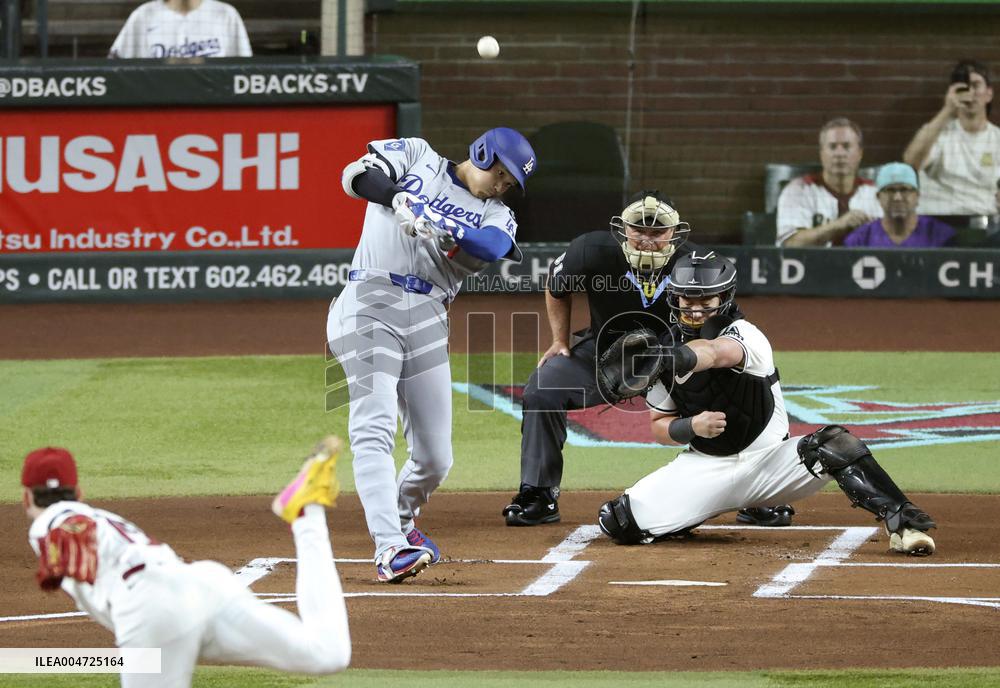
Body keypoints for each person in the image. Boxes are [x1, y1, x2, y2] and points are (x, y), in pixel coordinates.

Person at [596, 252, 937, 557]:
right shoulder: (659, 353)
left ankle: (905, 524)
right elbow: (660, 427)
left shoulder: (745, 334)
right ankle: (702, 509)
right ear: (675, 297)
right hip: (706, 468)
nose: (695, 308)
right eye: (687, 298)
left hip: (771, 464)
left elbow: (714, 353)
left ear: (724, 298)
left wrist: (672, 358)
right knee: (618, 520)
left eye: (705, 299)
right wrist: (691, 426)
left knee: (835, 444)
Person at [502, 192, 793, 529]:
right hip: (607, 355)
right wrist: (559, 340)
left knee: (745, 386)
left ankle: (760, 494)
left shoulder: (696, 264)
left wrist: (698, 362)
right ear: (622, 228)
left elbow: (729, 325)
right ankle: (538, 494)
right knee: (544, 388)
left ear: (675, 232)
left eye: (658, 231)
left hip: (678, 361)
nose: (647, 239)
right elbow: (557, 286)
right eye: (638, 229)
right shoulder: (591, 251)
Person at [331, 127, 536, 582]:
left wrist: (442, 224)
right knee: (374, 426)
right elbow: (356, 176)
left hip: (427, 315)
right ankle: (389, 548)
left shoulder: (497, 215)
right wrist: (399, 197)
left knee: (435, 457)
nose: (501, 186)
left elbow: (491, 246)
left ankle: (402, 522)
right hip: (369, 299)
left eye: (509, 183)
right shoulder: (418, 156)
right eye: (500, 174)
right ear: (481, 152)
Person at [21, 439, 351, 687]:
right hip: (203, 586)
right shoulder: (97, 515)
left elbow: (66, 519)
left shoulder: (52, 520)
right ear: (79, 491)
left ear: (26, 497)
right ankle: (306, 513)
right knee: (326, 653)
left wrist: (65, 534)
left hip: (153, 610)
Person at [903, 59, 1000, 217]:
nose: (970, 92)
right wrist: (948, 110)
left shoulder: (997, 139)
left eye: (975, 85)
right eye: (963, 86)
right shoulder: (938, 133)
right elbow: (910, 163)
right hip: (941, 220)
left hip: (985, 221)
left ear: (989, 94)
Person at [776, 118, 883, 247]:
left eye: (846, 146)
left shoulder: (876, 193)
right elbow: (790, 244)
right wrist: (838, 225)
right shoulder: (798, 190)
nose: (839, 154)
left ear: (860, 153)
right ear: (821, 153)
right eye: (832, 147)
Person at [844, 162, 956, 248]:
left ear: (917, 196)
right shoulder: (860, 239)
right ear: (878, 197)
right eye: (890, 190)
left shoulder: (940, 235)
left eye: (904, 190)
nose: (897, 197)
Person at [109, 0, 252, 58]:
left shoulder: (226, 14)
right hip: (158, 105)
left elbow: (244, 71)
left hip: (211, 106)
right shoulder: (143, 15)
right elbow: (116, 70)